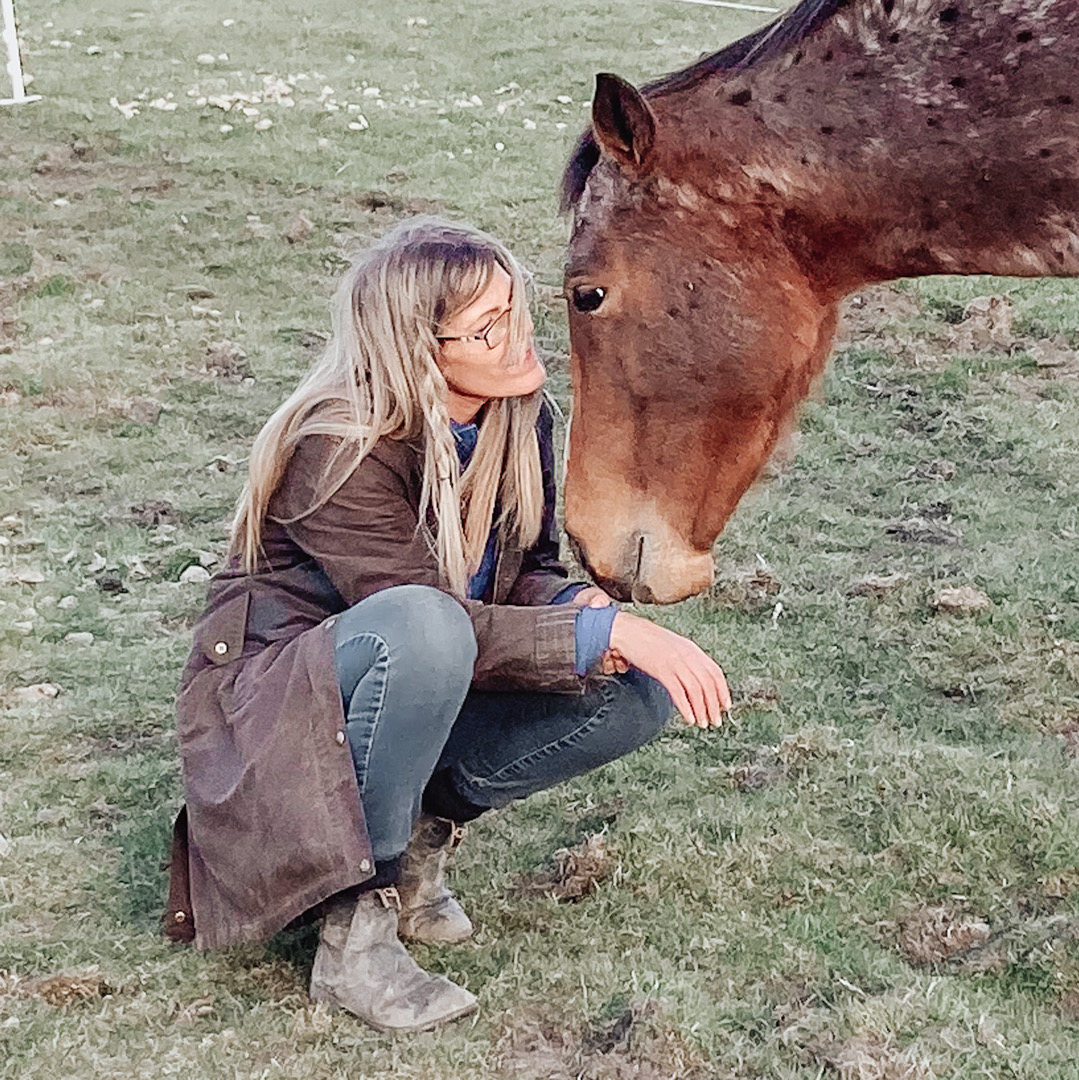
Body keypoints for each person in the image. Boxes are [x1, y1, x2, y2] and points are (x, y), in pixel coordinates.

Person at [168, 217, 731, 1035]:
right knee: (427, 630)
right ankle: (355, 935)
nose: (521, 336)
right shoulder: (339, 445)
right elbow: (436, 621)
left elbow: (522, 568)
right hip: (280, 723)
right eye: (486, 327)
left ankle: (422, 833)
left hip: (416, 677)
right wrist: (601, 635)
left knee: (634, 693)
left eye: (516, 308)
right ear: (416, 350)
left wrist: (580, 611)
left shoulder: (515, 415)